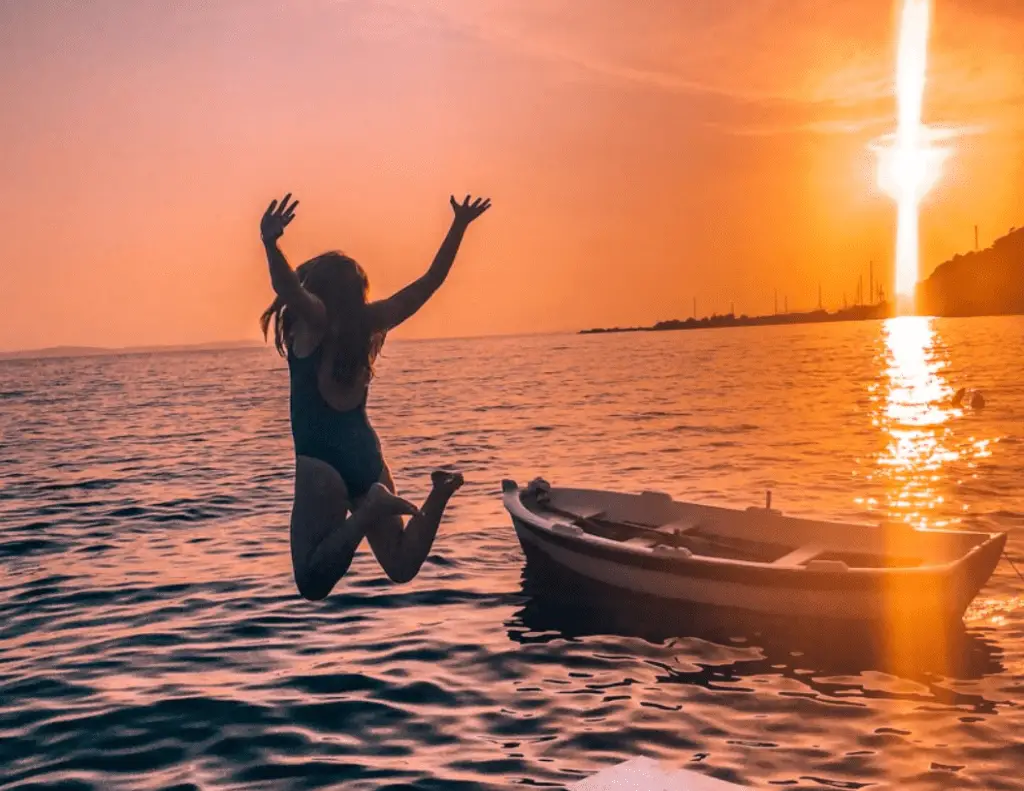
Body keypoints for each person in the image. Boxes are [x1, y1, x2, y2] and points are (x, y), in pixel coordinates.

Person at [259, 191, 491, 600]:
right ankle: (439, 491)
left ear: (320, 288)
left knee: (312, 582)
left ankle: (367, 512)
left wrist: (270, 243)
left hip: (321, 462)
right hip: (366, 454)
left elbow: (286, 288)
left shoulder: (315, 321)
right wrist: (458, 226)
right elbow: (430, 282)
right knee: (401, 565)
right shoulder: (373, 322)